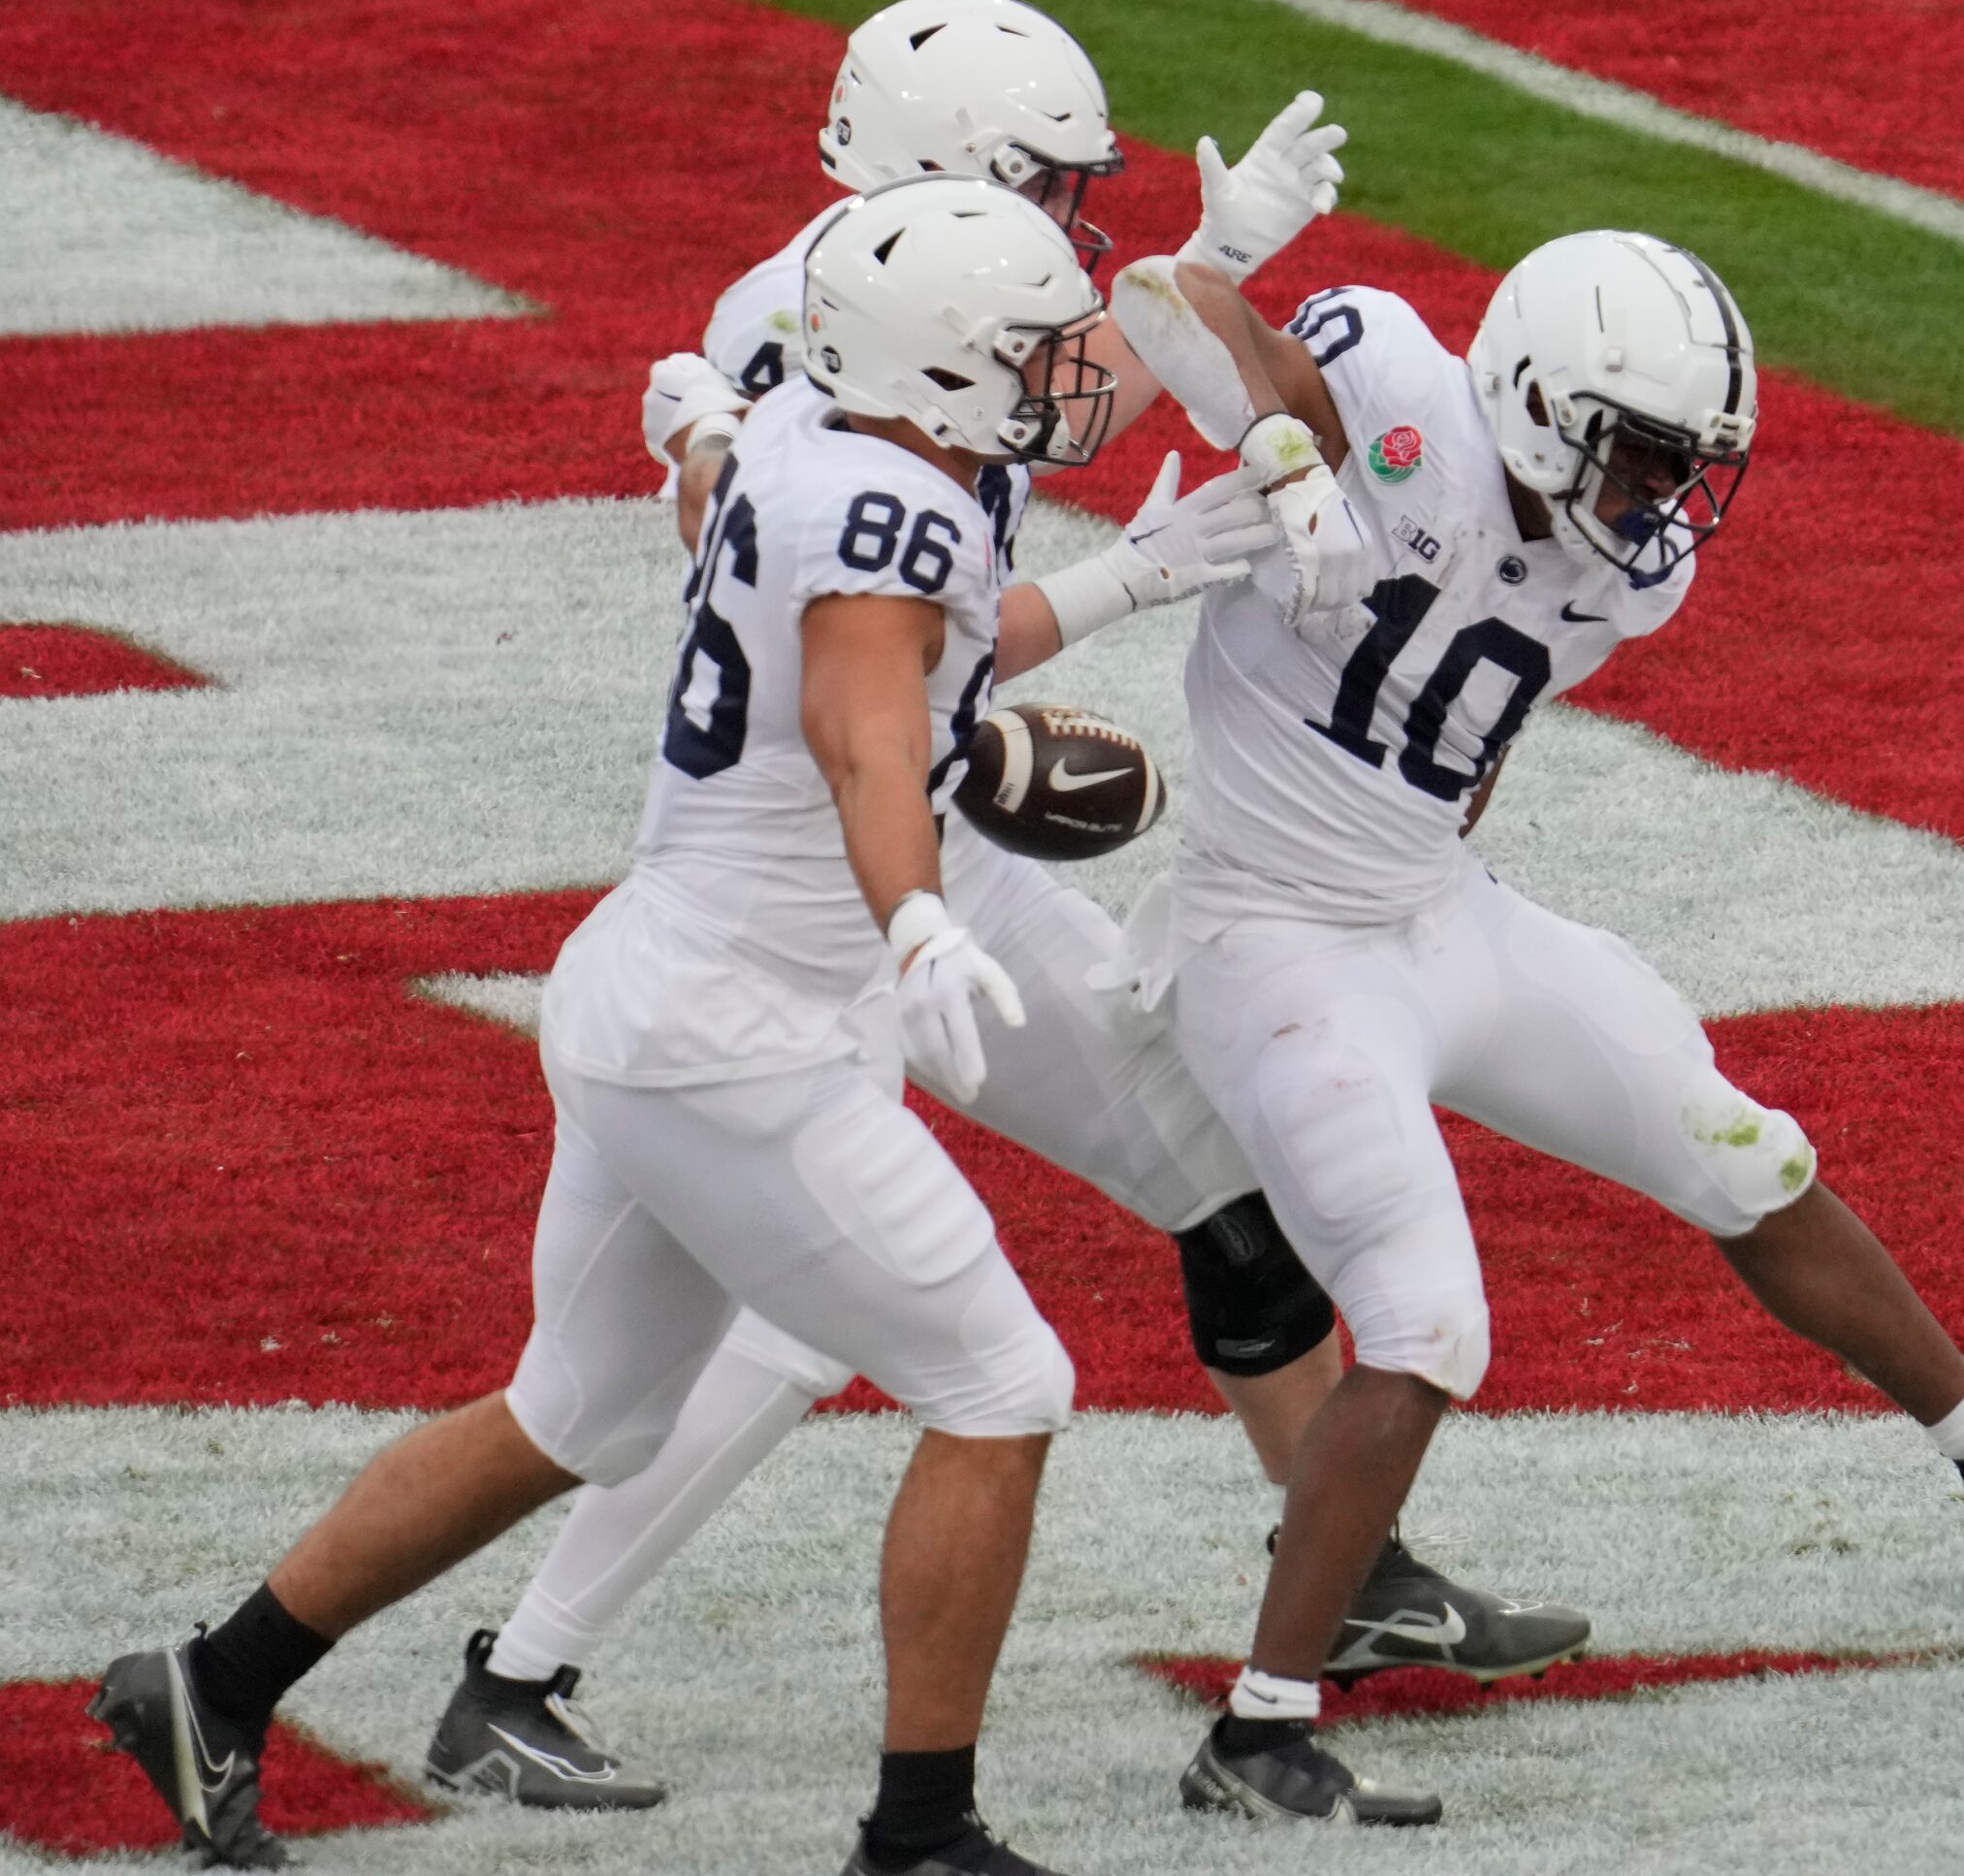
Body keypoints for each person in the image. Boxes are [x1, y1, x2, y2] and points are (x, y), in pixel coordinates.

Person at [423, 0, 1586, 1813]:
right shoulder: (801, 317)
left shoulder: (931, 290)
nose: (1076, 219)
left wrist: (1204, 276)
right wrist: (728, 467)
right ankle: (520, 1670)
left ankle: (1343, 1585)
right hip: (843, 882)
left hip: (910, 845)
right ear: (957, 173)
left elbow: (1049, 417)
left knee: (1207, 1162)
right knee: (775, 1334)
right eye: (1049, 182)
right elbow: (788, 574)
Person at [90, 177, 1232, 1876]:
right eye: (1032, 347)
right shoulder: (887, 519)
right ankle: (922, 1837)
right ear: (939, 367)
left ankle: (212, 1683)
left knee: (583, 1416)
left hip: (653, 981)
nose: (1069, 374)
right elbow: (860, 726)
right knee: (1000, 1383)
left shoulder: (827, 433)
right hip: (737, 1024)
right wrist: (919, 906)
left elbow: (734, 497)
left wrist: (1209, 287)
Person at [1103, 231, 1964, 1826]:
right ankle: (1257, 1731)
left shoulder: (1635, 570)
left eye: (1691, 466)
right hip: (1274, 943)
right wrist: (1286, 451)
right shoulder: (1400, 398)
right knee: (1427, 1325)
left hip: (1437, 911)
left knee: (1740, 1151)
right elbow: (1177, 306)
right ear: (1539, 406)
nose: (1663, 500)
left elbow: (1470, 727)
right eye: (1642, 457)